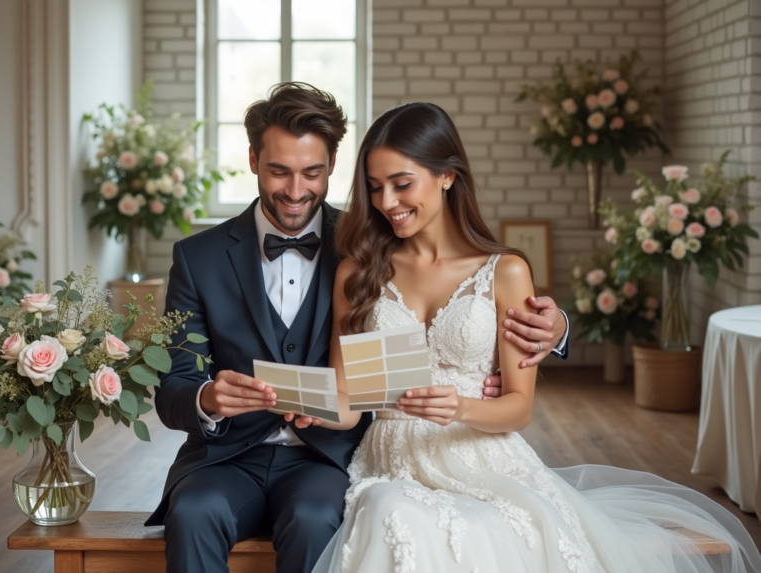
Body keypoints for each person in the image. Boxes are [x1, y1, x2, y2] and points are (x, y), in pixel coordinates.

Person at [306, 102, 761, 573]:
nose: (387, 203)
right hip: (393, 461)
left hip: (481, 456)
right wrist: (308, 408)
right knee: (392, 510)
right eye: (375, 188)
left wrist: (459, 407)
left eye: (402, 184)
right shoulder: (357, 275)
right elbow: (350, 399)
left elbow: (519, 408)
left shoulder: (505, 272)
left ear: (448, 176)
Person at [146, 83, 570, 573]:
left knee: (316, 518)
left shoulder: (365, 244)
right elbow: (173, 382)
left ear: (331, 167)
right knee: (195, 512)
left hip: (326, 462)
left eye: (313, 172)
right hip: (226, 458)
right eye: (279, 171)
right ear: (253, 160)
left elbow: (479, 294)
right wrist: (207, 399)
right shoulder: (198, 259)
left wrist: (556, 327)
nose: (296, 190)